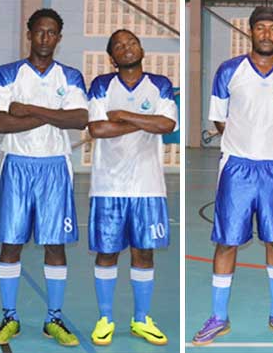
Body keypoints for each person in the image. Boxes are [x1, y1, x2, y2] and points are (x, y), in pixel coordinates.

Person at [192, 6, 273, 346]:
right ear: (251, 32)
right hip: (237, 168)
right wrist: (245, 143)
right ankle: (218, 316)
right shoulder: (229, 71)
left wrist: (270, 147)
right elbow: (219, 119)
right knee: (227, 241)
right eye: (261, 28)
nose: (267, 34)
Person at [0, 8, 88, 347]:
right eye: (40, 31)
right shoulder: (6, 74)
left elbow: (77, 120)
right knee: (11, 243)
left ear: (59, 38)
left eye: (52, 33)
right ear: (29, 34)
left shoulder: (71, 76)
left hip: (54, 167)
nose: (45, 38)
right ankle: (9, 316)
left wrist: (28, 110)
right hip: (16, 164)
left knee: (54, 244)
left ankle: (53, 319)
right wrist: (53, 117)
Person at [86, 29, 177, 346]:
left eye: (132, 43)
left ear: (142, 49)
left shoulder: (160, 85)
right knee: (107, 253)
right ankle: (105, 319)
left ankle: (141, 320)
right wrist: (145, 120)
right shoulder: (101, 85)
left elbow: (166, 125)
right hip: (107, 186)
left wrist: (123, 115)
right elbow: (97, 128)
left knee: (144, 253)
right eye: (119, 46)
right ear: (112, 58)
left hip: (147, 185)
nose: (127, 48)